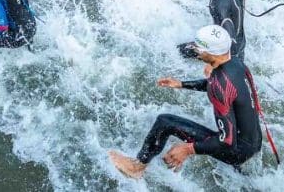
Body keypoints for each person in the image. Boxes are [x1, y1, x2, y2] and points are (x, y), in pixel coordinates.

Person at [109, 25, 263, 178]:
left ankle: (137, 168)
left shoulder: (220, 84)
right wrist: (181, 84)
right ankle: (243, 173)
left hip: (236, 150)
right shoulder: (236, 64)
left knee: (165, 122)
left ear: (212, 53)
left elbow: (226, 141)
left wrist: (188, 149)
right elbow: (218, 85)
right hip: (254, 142)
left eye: (198, 48)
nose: (194, 50)